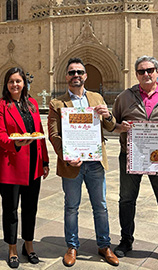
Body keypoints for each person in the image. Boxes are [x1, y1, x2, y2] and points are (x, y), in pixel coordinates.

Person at [48, 57, 119, 267]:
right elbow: (53, 135)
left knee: (101, 206)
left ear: (85, 76)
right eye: (71, 72)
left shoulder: (97, 98)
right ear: (66, 76)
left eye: (79, 72)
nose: (76, 75)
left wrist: (107, 115)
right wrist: (66, 156)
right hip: (72, 164)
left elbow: (110, 126)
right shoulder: (57, 103)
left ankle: (104, 245)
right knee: (71, 207)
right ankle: (72, 246)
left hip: (95, 162)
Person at [0, 67, 49, 268]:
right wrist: (15, 143)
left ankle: (29, 245)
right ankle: (12, 248)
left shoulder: (32, 103)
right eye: (11, 81)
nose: (15, 85)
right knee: (11, 209)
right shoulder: (0, 105)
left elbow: (39, 133)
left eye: (18, 81)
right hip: (12, 163)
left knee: (30, 208)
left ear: (24, 83)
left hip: (34, 163)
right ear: (6, 85)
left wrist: (45, 161)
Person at [112, 55, 158, 258]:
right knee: (127, 200)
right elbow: (112, 125)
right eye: (141, 71)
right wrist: (120, 127)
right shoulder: (125, 97)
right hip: (131, 155)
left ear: (156, 72)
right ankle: (125, 240)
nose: (146, 74)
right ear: (136, 74)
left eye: (150, 70)